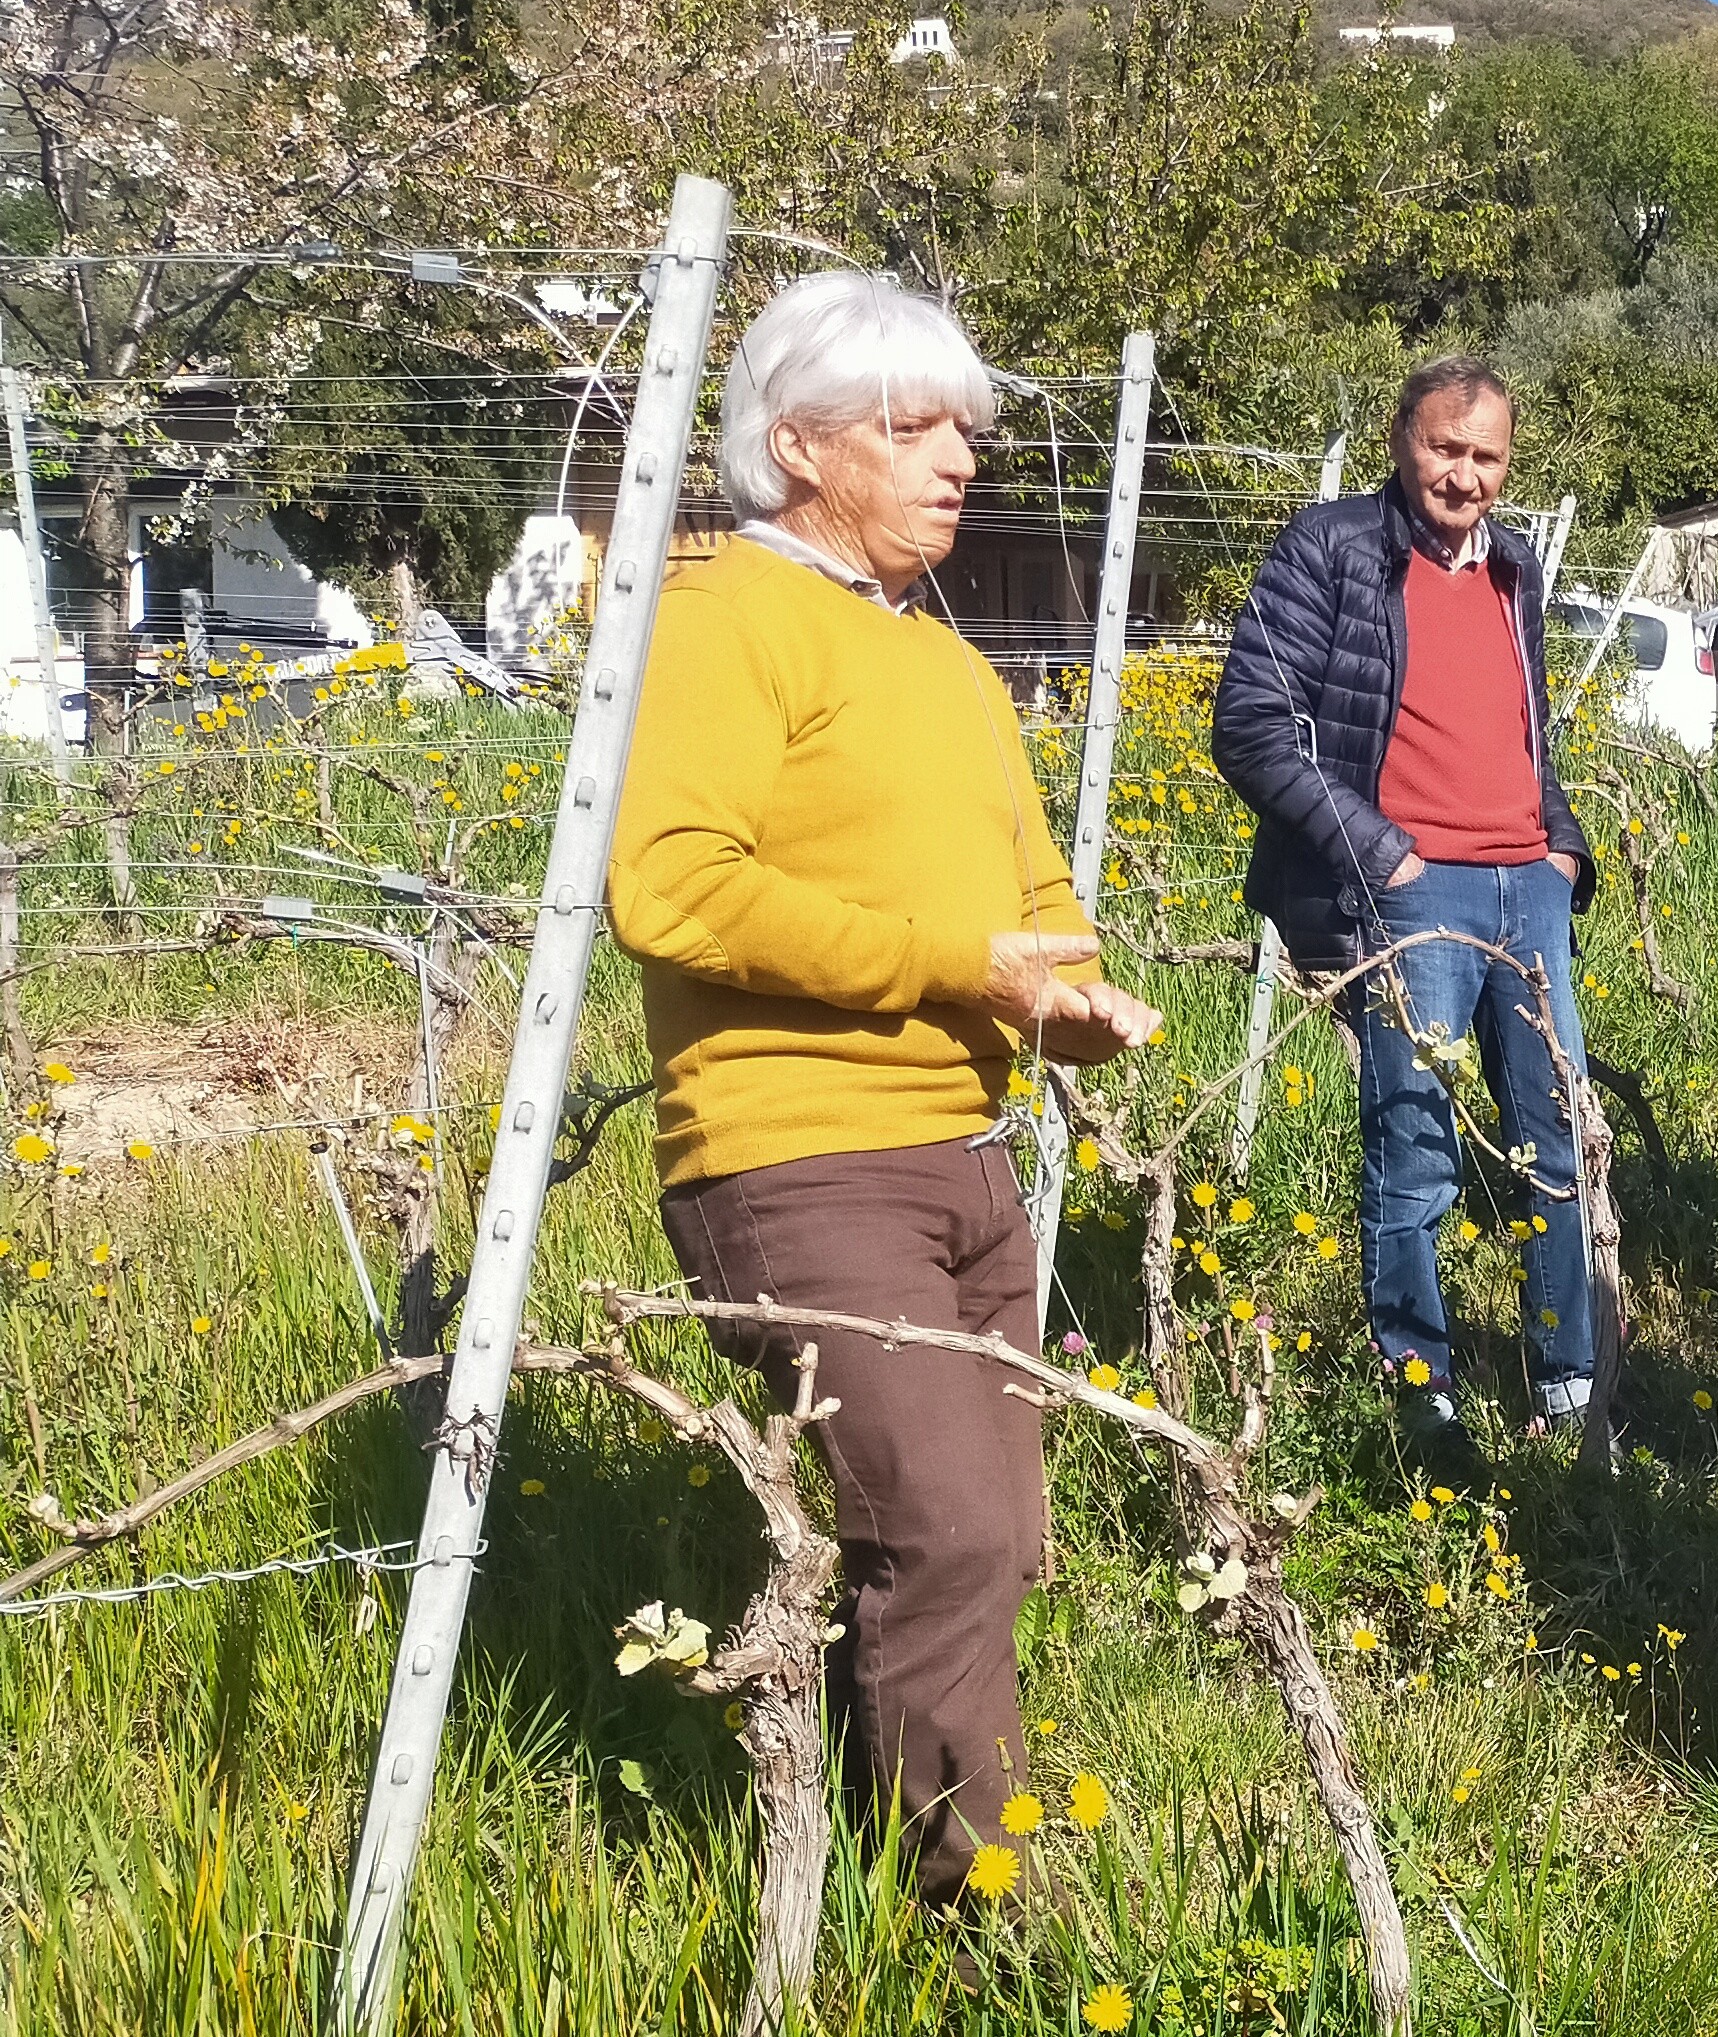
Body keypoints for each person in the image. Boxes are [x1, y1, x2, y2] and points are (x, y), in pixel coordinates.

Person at [611, 270, 1163, 1905]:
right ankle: (969, 1928)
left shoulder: (946, 667)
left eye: (964, 432)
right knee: (950, 1533)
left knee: (992, 1547)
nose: (957, 460)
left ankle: (919, 1885)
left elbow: (1034, 896)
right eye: (914, 428)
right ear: (797, 443)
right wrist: (956, 966)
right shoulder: (723, 612)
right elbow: (673, 888)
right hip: (798, 1157)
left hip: (964, 1156)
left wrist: (1068, 994)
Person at [1214, 356, 1597, 1455]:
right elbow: (1250, 725)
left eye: (1486, 456)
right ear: (1401, 440)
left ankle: (1571, 1381)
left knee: (1556, 1139)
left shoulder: (1514, 568)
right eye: (1444, 448)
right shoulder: (1330, 548)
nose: (1464, 475)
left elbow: (1527, 731)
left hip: (1528, 892)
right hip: (1413, 891)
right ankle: (1422, 1385)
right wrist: (1382, 856)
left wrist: (1561, 849)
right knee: (1414, 1142)